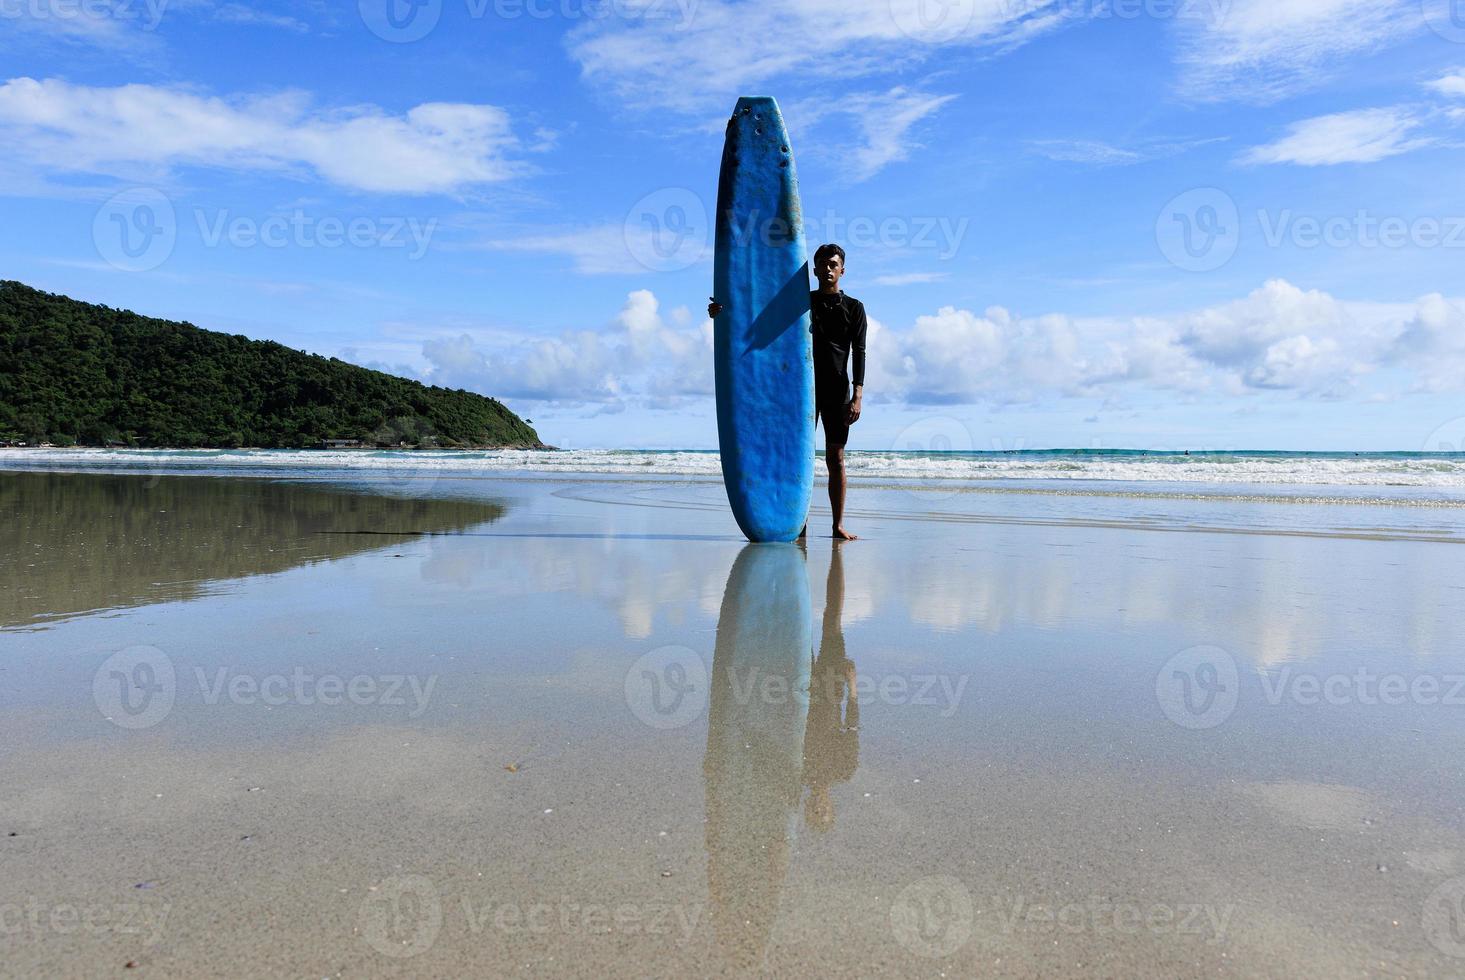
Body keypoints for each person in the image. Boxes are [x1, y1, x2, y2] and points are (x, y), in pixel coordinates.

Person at [708, 242, 866, 540]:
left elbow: (860, 351)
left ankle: (837, 525)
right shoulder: (801, 303)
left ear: (842, 270)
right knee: (799, 456)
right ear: (814, 270)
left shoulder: (854, 308)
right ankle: (798, 524)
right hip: (801, 390)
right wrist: (721, 312)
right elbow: (758, 322)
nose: (828, 269)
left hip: (837, 390)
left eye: (834, 264)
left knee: (836, 457)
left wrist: (857, 394)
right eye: (823, 264)